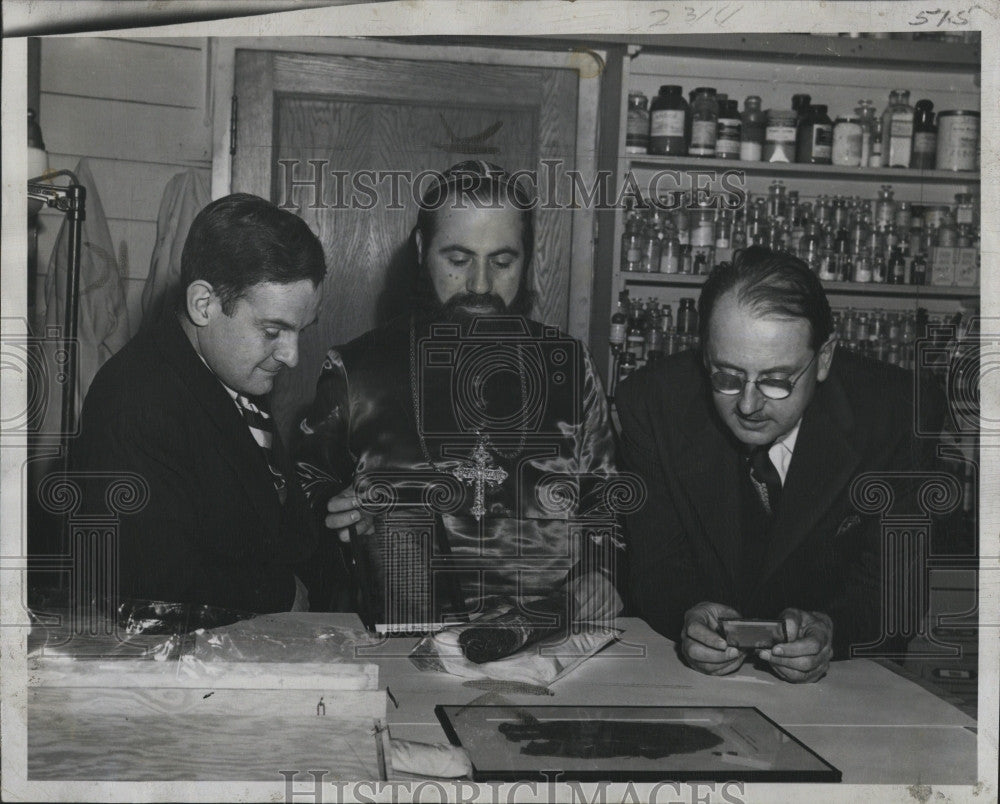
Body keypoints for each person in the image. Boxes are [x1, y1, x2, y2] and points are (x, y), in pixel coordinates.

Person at [295, 161, 622, 643]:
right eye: (459, 258)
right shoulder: (356, 370)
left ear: (527, 259)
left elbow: (605, 504)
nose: (482, 285)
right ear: (423, 250)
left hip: (546, 642)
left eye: (503, 261)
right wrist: (330, 509)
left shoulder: (570, 367)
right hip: (401, 642)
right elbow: (304, 492)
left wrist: (602, 572)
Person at [616, 246, 948, 683]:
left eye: (776, 380)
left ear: (824, 357)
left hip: (842, 683)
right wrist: (687, 612)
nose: (749, 405)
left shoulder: (900, 412)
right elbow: (653, 564)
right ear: (704, 355)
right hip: (690, 681)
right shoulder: (652, 402)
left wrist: (831, 631)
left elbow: (895, 591)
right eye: (727, 376)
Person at [74, 193, 340, 614]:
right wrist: (281, 595)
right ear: (204, 304)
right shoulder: (136, 403)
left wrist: (335, 516)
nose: (292, 356)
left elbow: (264, 516)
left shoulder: (231, 368)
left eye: (300, 331)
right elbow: (149, 588)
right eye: (273, 331)